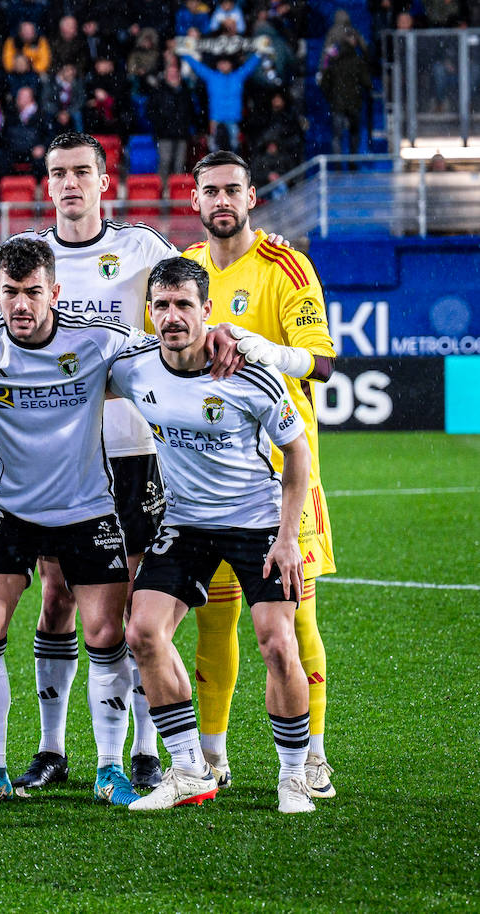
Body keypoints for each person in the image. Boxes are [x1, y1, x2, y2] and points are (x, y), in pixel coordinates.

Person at [0, 238, 241, 807]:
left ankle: (110, 766)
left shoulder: (98, 339)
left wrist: (221, 336)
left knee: (107, 635)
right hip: (9, 509)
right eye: (10, 292)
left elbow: (166, 348)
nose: (21, 304)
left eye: (33, 292)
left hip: (88, 510)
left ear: (54, 292)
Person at [0, 132, 179, 793]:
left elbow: (176, 329)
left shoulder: (144, 250)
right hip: (60, 456)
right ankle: (52, 750)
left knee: (131, 608)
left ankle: (143, 747)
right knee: (56, 599)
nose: (70, 183)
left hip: (132, 453)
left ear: (105, 182)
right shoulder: (28, 262)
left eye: (82, 172)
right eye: (58, 173)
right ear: (46, 186)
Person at [111, 256, 316, 814]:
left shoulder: (246, 372)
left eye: (184, 304)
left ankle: (294, 776)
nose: (172, 316)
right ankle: (188, 770)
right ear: (149, 313)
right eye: (161, 306)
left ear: (208, 310)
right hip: (184, 523)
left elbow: (296, 452)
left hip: (255, 524)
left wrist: (288, 536)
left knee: (277, 643)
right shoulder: (134, 369)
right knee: (143, 635)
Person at [182, 150, 338, 799]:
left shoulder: (284, 265)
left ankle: (314, 758)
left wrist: (275, 352)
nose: (222, 201)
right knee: (214, 620)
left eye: (232, 191)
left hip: (282, 479)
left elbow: (324, 364)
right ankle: (212, 757)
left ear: (252, 197)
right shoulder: (184, 269)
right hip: (211, 476)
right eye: (210, 191)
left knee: (294, 623)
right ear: (195, 200)